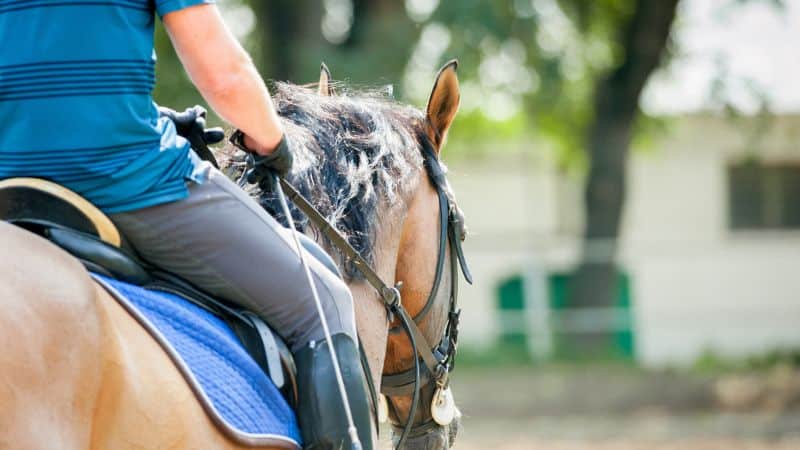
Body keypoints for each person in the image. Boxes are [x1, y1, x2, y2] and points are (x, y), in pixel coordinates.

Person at [0, 1, 374, 449]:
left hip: (12, 187)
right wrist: (272, 140)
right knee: (327, 302)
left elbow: (45, 72)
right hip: (129, 184)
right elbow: (224, 76)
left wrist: (150, 115)